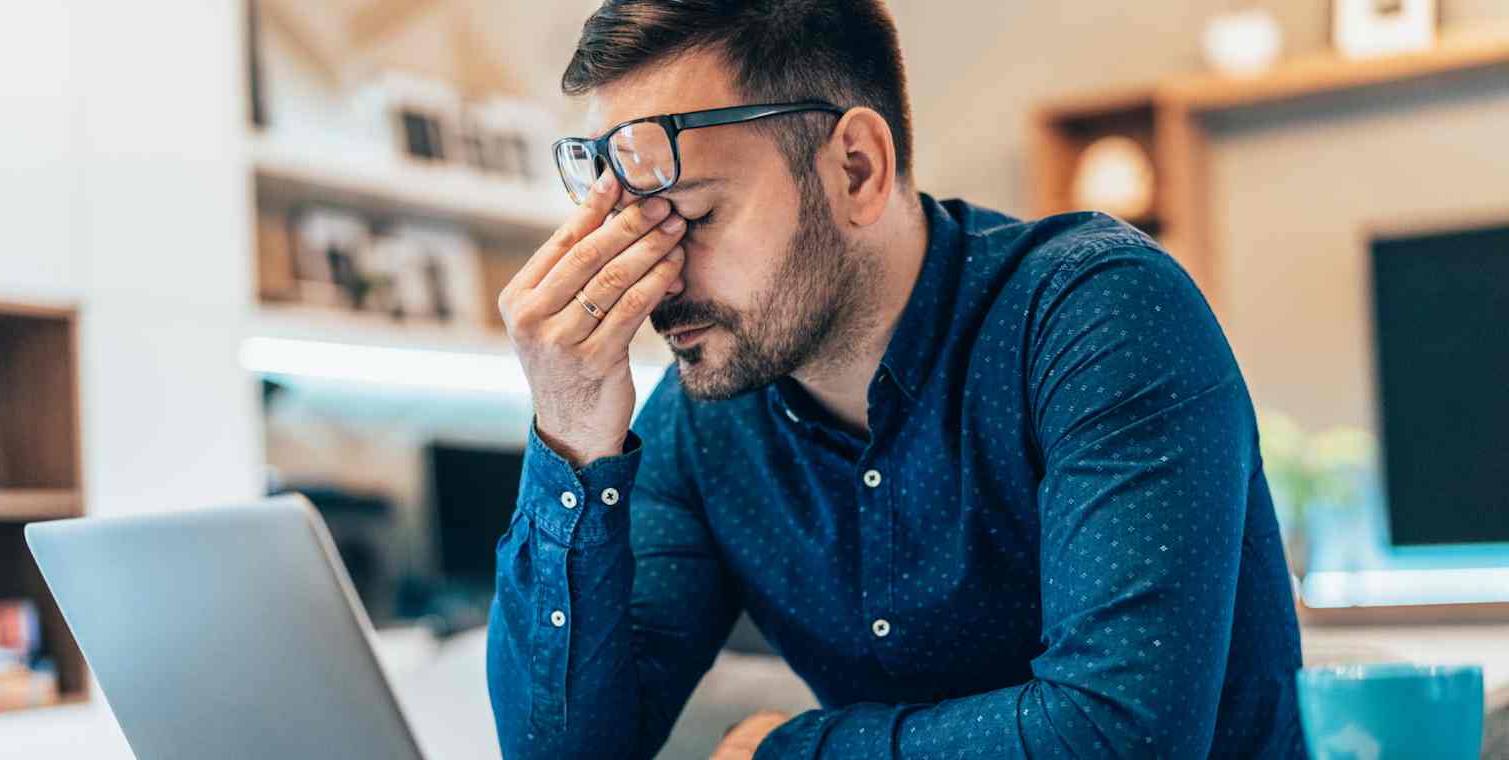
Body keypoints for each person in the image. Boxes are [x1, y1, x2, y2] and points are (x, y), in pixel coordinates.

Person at [488, 1, 1305, 757]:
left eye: (694, 217)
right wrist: (570, 433)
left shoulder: (1100, 317)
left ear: (856, 168)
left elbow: (1119, 737)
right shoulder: (704, 422)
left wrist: (790, 751)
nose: (659, 279)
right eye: (636, 229)